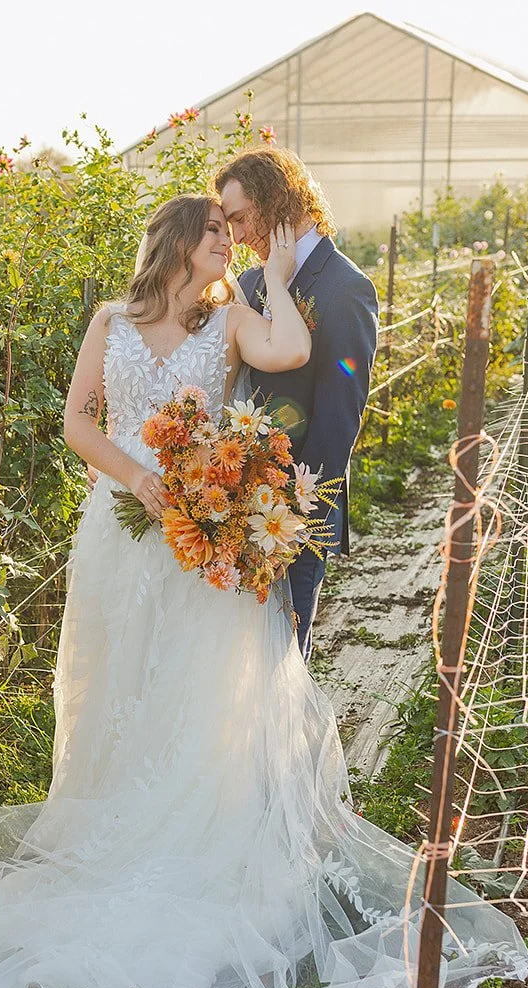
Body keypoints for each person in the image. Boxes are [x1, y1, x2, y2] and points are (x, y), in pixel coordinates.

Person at [0, 194, 528, 988]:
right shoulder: (110, 321)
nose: (225, 242)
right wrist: (138, 474)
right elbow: (79, 420)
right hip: (119, 538)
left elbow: (296, 351)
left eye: (232, 236)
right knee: (117, 687)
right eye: (215, 233)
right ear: (177, 242)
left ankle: (194, 844)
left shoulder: (233, 316)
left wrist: (273, 280)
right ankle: (111, 824)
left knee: (195, 695)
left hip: (205, 547)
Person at [216, 147, 379, 660]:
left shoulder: (345, 289)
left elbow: (339, 416)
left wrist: (293, 514)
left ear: (275, 198)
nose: (236, 236)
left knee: (282, 660)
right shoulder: (247, 285)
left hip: (294, 515)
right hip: (235, 508)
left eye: (240, 218)